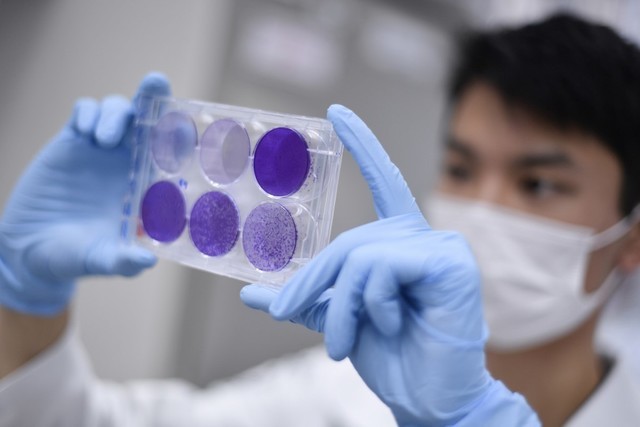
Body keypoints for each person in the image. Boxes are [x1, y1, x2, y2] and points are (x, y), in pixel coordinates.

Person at [0, 11, 636, 426]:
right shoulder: (345, 396)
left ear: (631, 241)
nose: (485, 209)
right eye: (462, 170)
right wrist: (25, 299)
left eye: (539, 182)